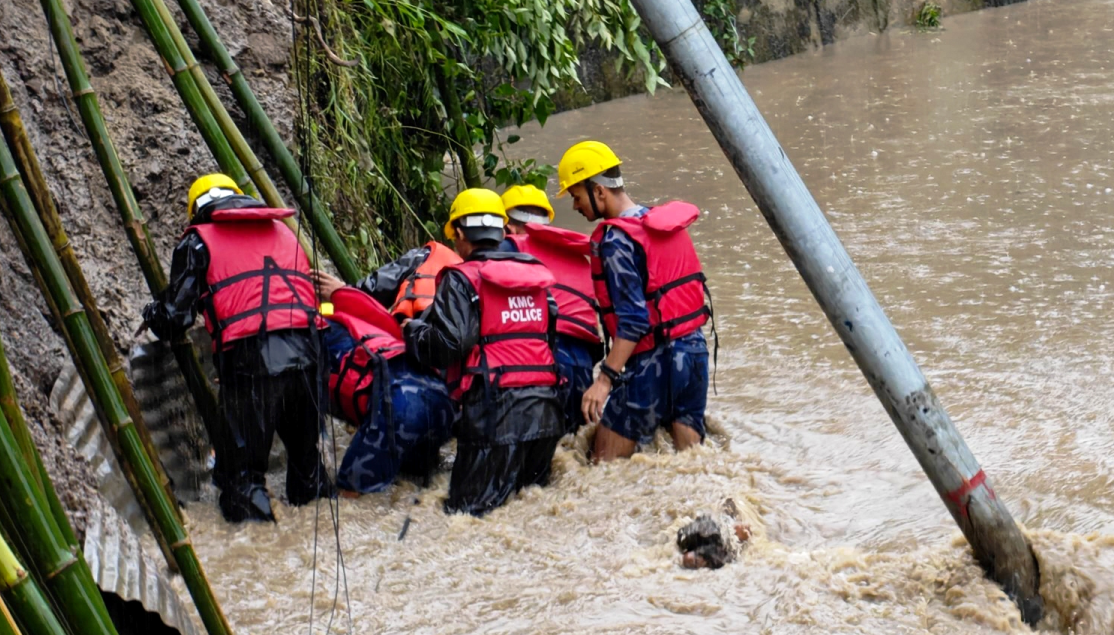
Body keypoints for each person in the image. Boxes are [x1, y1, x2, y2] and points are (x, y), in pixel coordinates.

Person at [142, 174, 333, 522]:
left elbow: (173, 319)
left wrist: (152, 311)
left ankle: (260, 562)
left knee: (242, 480)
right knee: (308, 468)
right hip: (312, 356)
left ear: (196, 211)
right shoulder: (283, 232)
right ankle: (305, 540)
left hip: (254, 364)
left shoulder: (198, 242)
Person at [404, 188, 564, 516]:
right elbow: (549, 334)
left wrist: (415, 332)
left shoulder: (462, 280)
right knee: (531, 511)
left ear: (459, 233)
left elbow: (449, 345)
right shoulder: (535, 274)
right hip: (547, 414)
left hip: (496, 416)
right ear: (502, 231)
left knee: (467, 517)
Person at [556, 141, 712, 462]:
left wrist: (603, 380)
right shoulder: (659, 222)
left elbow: (634, 321)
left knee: (602, 469)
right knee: (694, 465)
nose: (575, 206)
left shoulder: (616, 240)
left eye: (576, 196)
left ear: (599, 192)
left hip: (655, 365)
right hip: (694, 353)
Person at [319, 286, 454, 494]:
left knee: (351, 497)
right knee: (416, 485)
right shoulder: (351, 323)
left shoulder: (305, 337)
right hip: (442, 402)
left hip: (400, 404)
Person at [500, 185, 603, 434]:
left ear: (506, 228)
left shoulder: (510, 249)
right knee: (572, 451)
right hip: (582, 371)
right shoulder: (579, 257)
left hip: (544, 366)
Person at [312, 241, 462, 323]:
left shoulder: (431, 257)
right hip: (457, 373)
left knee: (330, 321)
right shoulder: (479, 284)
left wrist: (343, 293)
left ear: (458, 234)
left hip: (408, 352)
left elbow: (377, 289)